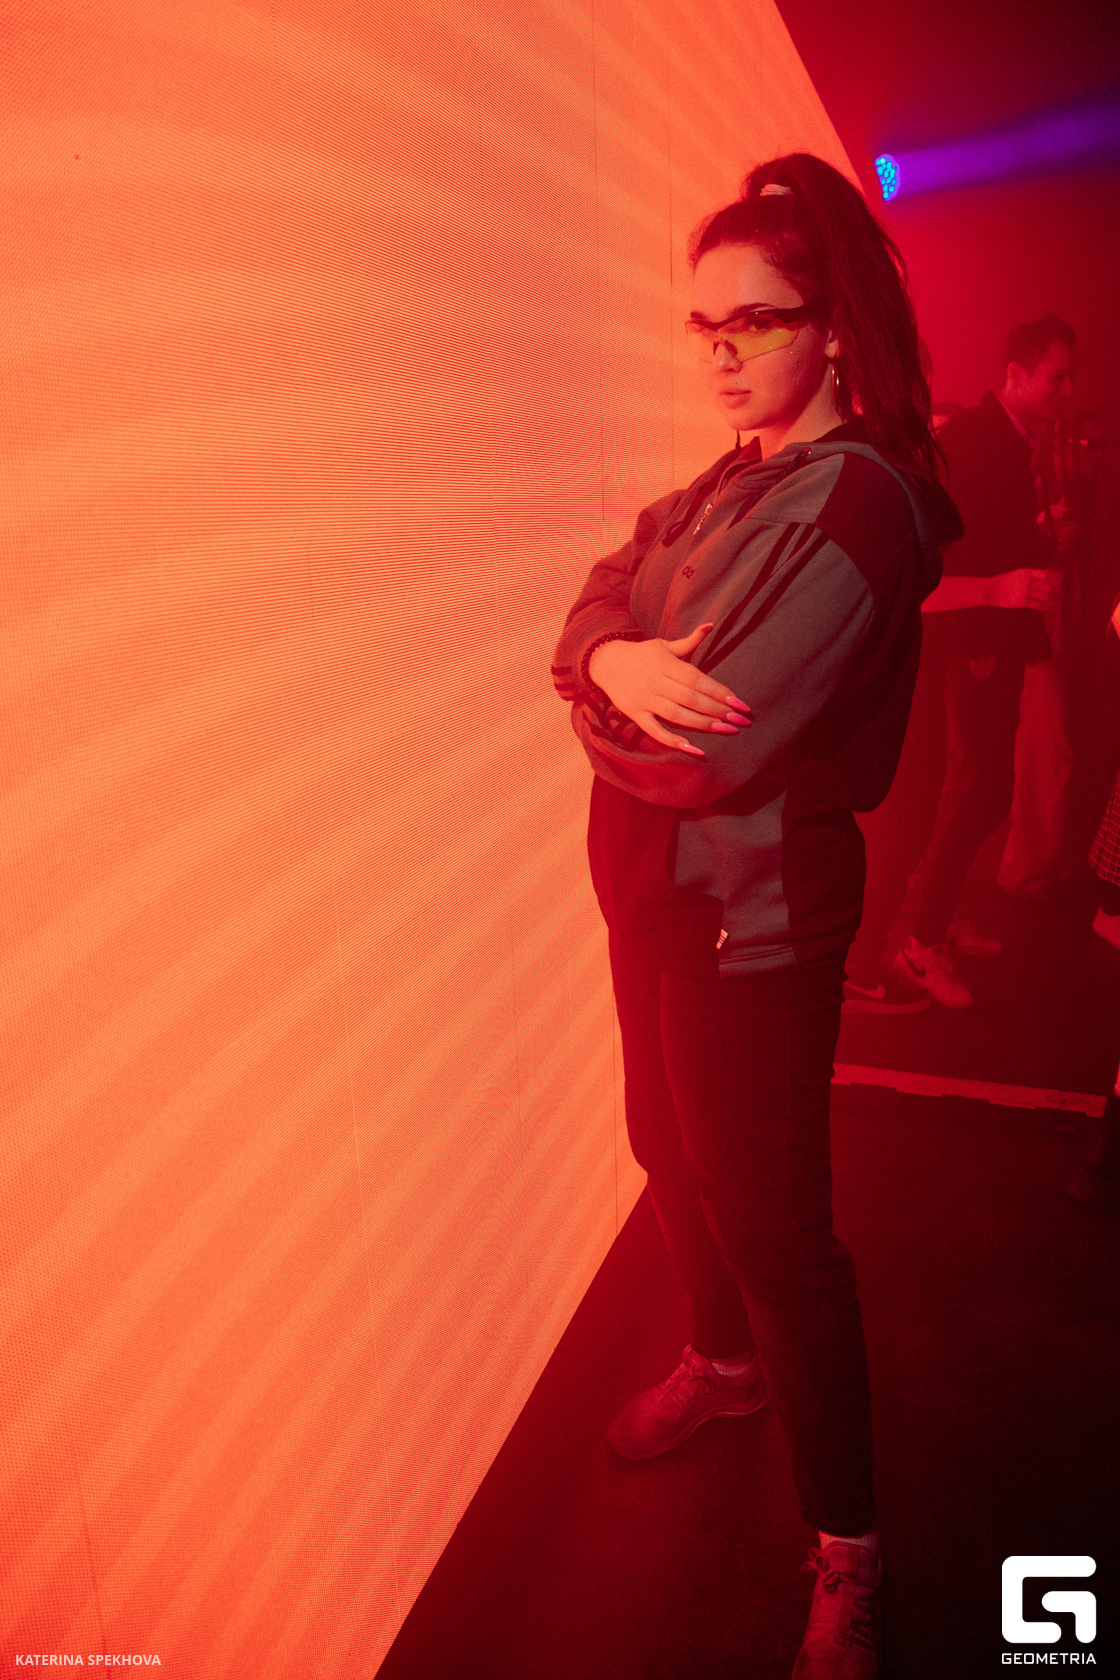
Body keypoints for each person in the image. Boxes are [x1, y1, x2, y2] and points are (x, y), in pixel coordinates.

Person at [552, 153, 960, 1680]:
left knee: (783, 1237)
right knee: (664, 1151)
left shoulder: (858, 503)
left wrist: (600, 688)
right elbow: (595, 596)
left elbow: (702, 752)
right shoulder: (728, 482)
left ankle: (851, 1552)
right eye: (704, 325)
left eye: (758, 323)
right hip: (653, 899)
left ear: (832, 327)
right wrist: (610, 659)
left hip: (757, 924)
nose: (721, 354)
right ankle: (722, 1369)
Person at [884, 316, 1075, 1009]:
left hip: (993, 642)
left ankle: (938, 922)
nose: (1067, 390)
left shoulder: (1008, 438)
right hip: (973, 646)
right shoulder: (971, 439)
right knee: (978, 793)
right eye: (1057, 376)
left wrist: (1041, 535)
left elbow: (986, 534)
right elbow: (927, 568)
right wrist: (1002, 590)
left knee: (981, 793)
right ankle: (922, 938)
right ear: (1015, 374)